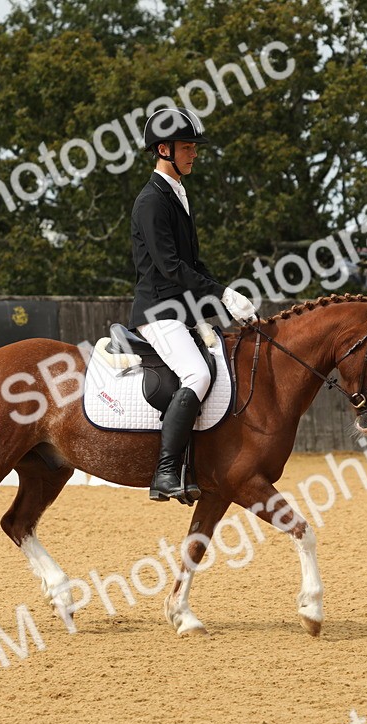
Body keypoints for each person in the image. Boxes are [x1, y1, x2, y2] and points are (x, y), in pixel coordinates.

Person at [129, 106, 257, 503]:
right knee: (197, 376)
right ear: (164, 149)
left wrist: (224, 298)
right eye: (187, 147)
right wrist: (221, 293)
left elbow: (193, 264)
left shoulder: (178, 195)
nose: (194, 154)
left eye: (194, 147)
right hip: (158, 311)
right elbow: (170, 267)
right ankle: (166, 472)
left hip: (182, 311)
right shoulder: (152, 200)